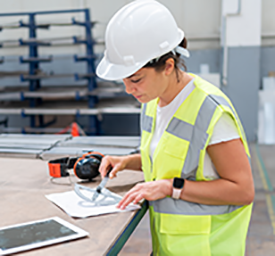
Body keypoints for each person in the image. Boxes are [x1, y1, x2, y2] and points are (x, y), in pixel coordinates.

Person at [96, 0, 254, 255]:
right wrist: (127, 161)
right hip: (169, 248)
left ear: (168, 66)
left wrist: (171, 187)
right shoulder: (152, 100)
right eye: (124, 80)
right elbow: (173, 160)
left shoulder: (210, 111)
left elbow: (243, 190)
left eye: (135, 79)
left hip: (207, 248)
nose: (128, 89)